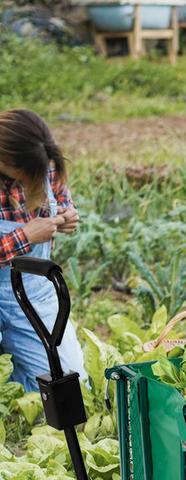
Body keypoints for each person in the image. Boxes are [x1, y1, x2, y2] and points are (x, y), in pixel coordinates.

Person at [0, 108, 85, 391]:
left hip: (32, 292)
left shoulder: (44, 162)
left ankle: (19, 383)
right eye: (27, 171)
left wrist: (67, 216)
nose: (35, 176)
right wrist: (24, 236)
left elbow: (61, 198)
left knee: (72, 385)